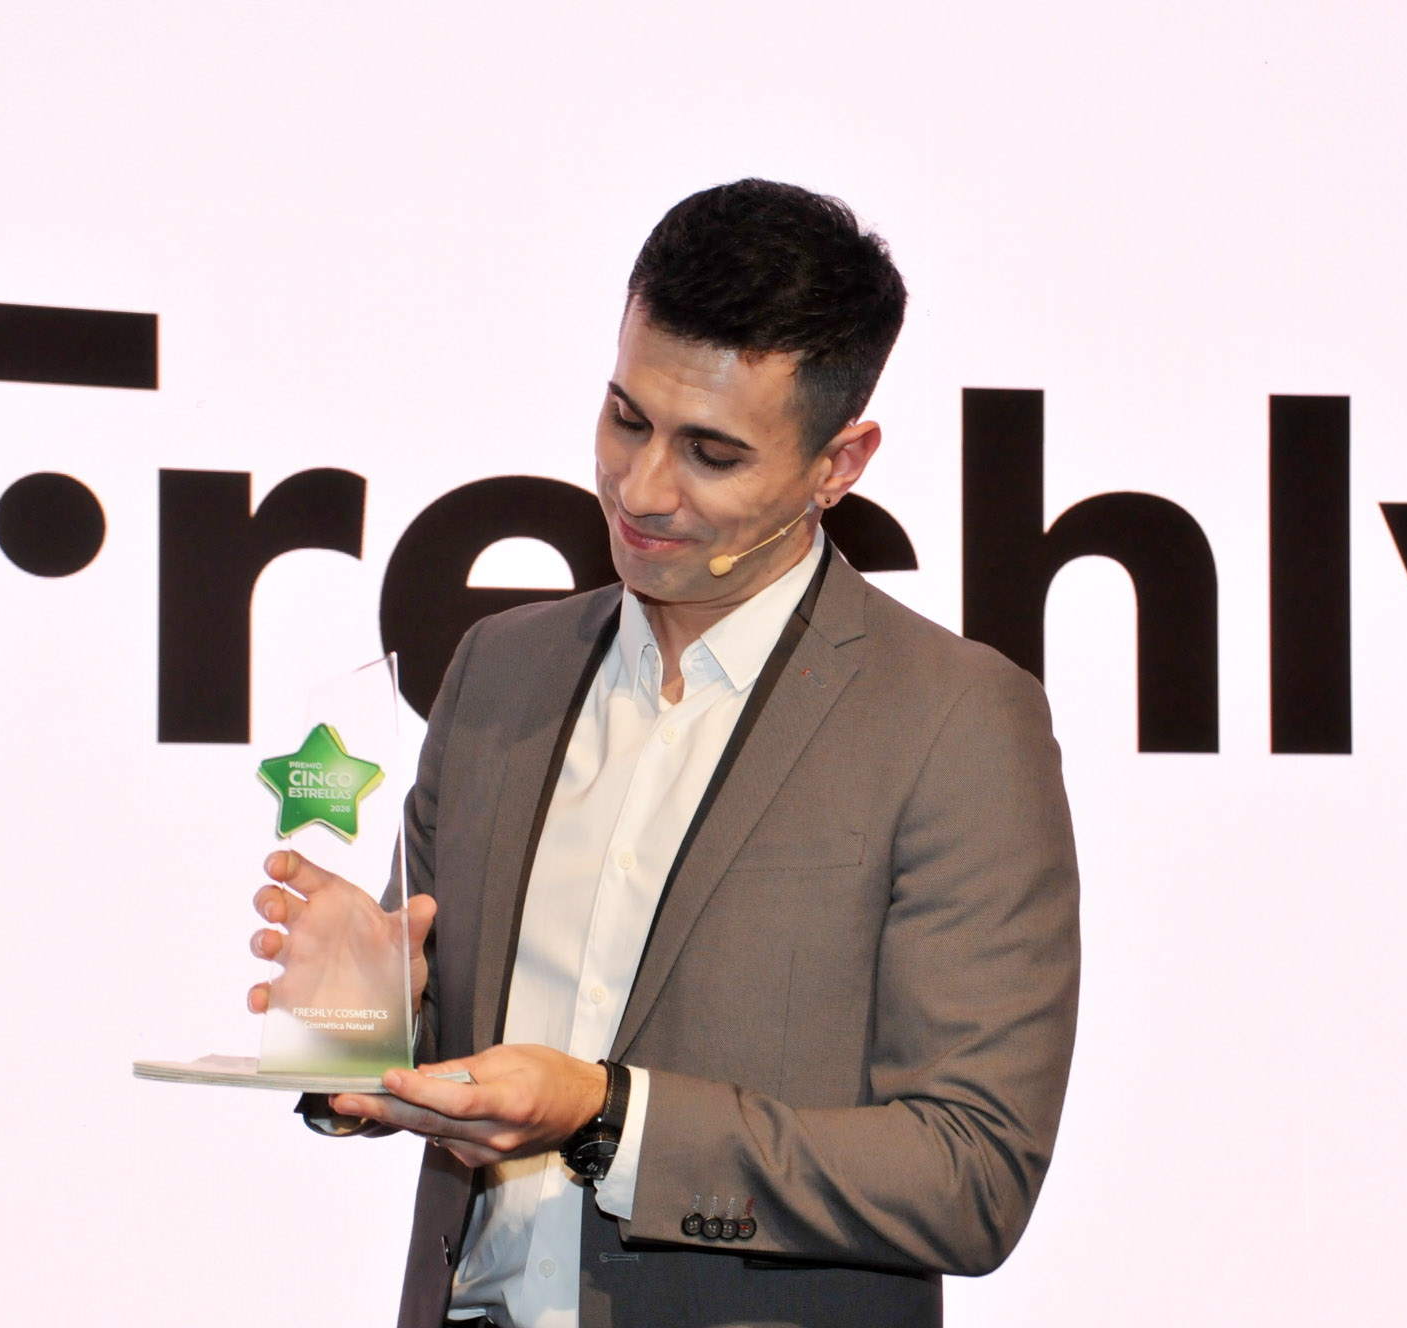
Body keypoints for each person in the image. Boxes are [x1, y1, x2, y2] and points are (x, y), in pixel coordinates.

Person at [247, 178, 1081, 1328]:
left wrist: (605, 1116)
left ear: (838, 462)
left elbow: (969, 1173)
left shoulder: (955, 722)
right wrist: (358, 1022)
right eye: (625, 418)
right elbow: (450, 1059)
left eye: (712, 453)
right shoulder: (499, 668)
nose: (640, 488)